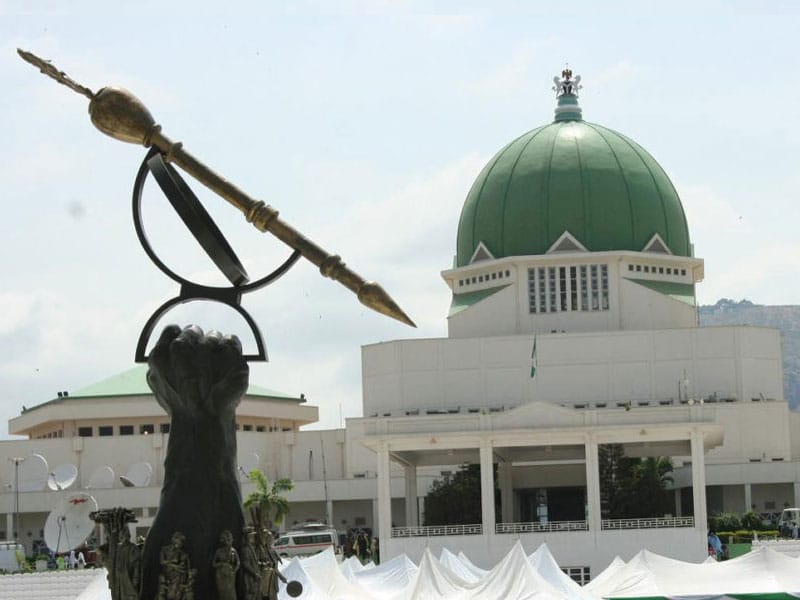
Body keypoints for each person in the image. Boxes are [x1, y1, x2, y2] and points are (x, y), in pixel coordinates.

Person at [212, 530, 240, 600]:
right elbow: (213, 564)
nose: (229, 541)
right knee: (222, 593)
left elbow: (238, 562)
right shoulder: (219, 551)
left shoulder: (233, 550)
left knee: (231, 593)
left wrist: (234, 570)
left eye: (230, 539)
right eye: (227, 540)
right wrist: (221, 563)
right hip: (220, 575)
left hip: (230, 575)